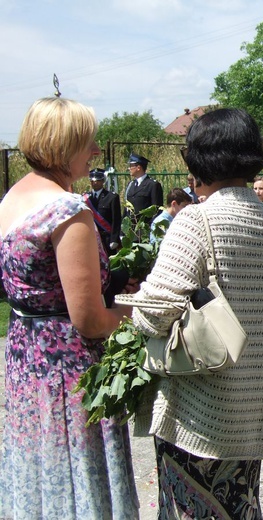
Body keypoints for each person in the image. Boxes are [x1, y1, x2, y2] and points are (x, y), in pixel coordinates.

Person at [131, 108, 263, 519]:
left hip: (200, 413)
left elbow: (152, 314)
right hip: (253, 409)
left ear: (200, 158)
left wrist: (131, 309)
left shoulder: (196, 220)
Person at [0, 97, 138, 519]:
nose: (96, 152)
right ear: (65, 145)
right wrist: (140, 314)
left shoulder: (10, 200)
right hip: (67, 369)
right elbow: (90, 320)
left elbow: (36, 284)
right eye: (89, 142)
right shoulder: (66, 210)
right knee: (78, 476)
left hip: (24, 356)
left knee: (38, 468)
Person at [84, 167, 122, 256]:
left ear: (103, 181)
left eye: (98, 180)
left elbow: (116, 220)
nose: (95, 183)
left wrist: (114, 239)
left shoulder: (111, 197)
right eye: (92, 181)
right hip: (92, 237)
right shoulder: (86, 198)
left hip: (106, 238)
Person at [124, 152, 164, 222]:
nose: (129, 168)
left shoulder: (152, 185)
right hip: (131, 228)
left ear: (138, 168)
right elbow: (126, 209)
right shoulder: (131, 184)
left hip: (145, 227)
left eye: (131, 166)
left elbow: (156, 209)